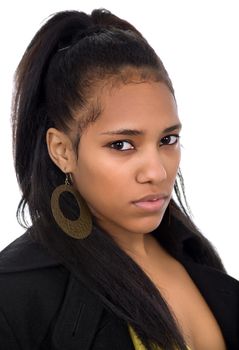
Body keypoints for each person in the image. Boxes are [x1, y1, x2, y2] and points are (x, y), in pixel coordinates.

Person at [0, 8, 238, 350]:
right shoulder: (15, 296)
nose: (156, 171)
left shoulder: (199, 263)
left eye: (167, 140)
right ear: (62, 150)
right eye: (122, 145)